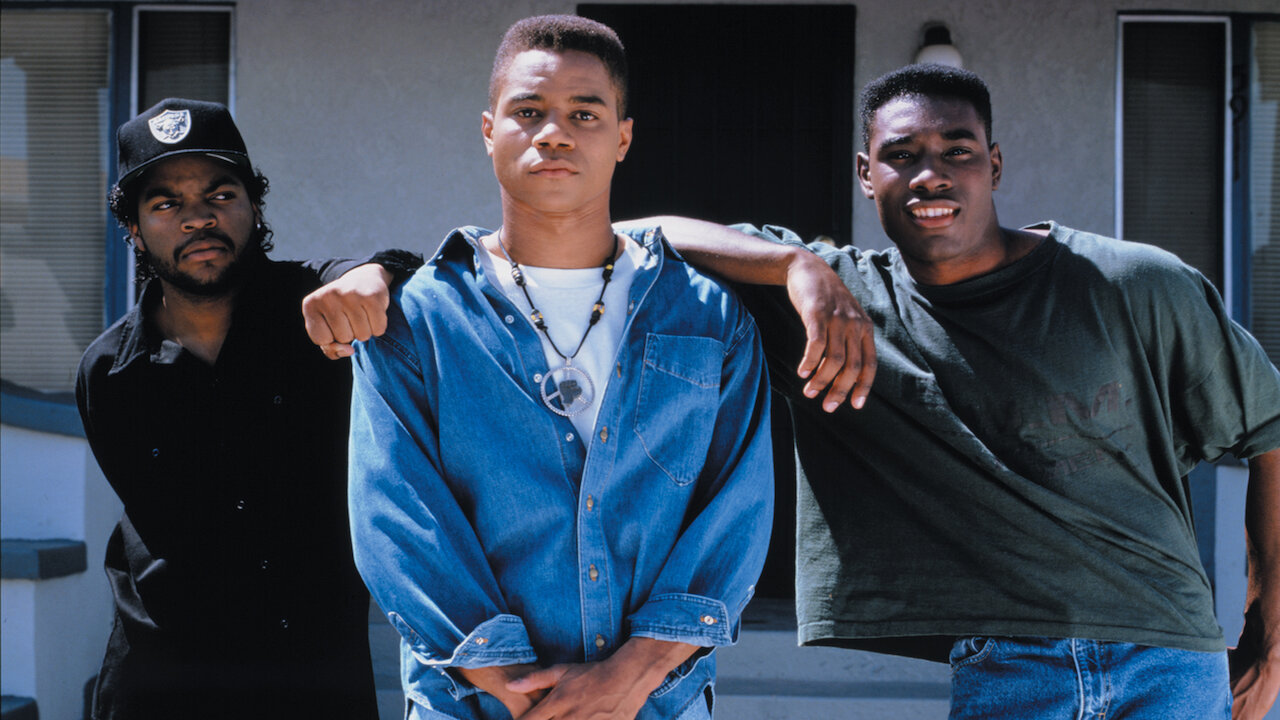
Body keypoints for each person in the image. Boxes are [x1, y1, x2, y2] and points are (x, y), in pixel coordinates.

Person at [649, 64, 1280, 719]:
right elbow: (646, 235)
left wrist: (1270, 635)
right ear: (866, 174)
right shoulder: (842, 305)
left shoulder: (1132, 283)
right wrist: (794, 265)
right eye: (902, 155)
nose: (931, 173)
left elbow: (1269, 426)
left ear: (995, 165)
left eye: (958, 151)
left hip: (1168, 660)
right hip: (1010, 666)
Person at [347, 15, 773, 720]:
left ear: (623, 137)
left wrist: (629, 676)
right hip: (473, 705)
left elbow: (738, 511)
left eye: (584, 113)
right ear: (488, 131)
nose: (554, 132)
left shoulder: (706, 317)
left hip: (656, 703)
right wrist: (513, 684)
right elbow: (395, 513)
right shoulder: (416, 319)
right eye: (528, 112)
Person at [76, 98, 420, 720]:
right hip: (161, 681)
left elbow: (382, 279)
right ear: (132, 228)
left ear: (253, 206)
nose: (197, 219)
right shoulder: (109, 373)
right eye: (164, 204)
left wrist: (379, 274)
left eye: (220, 195)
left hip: (312, 678)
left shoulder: (318, 316)